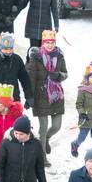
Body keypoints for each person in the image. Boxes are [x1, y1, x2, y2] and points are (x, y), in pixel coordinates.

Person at [26, 30, 67, 165]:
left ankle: (46, 139)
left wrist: (59, 76)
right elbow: (31, 78)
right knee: (43, 126)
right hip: (41, 95)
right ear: (43, 44)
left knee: (56, 126)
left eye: (52, 43)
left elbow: (65, 73)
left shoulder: (59, 56)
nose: (50, 45)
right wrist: (29, 97)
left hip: (56, 96)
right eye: (47, 43)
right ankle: (42, 157)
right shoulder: (36, 57)